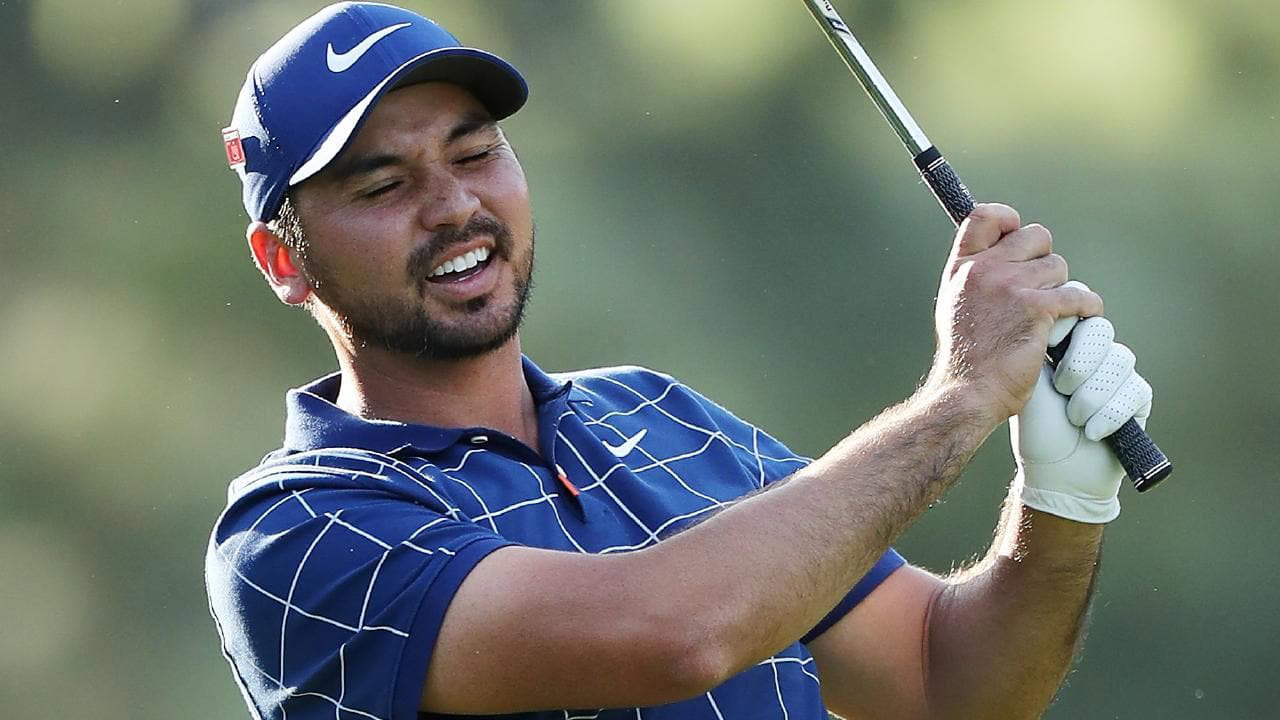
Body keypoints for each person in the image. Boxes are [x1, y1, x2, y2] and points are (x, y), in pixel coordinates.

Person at [206, 3, 1154, 719]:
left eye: (477, 151)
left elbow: (945, 684)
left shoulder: (657, 416)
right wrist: (959, 400)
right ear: (286, 261)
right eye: (384, 183)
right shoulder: (297, 533)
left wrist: (1062, 507)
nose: (455, 206)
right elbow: (677, 634)